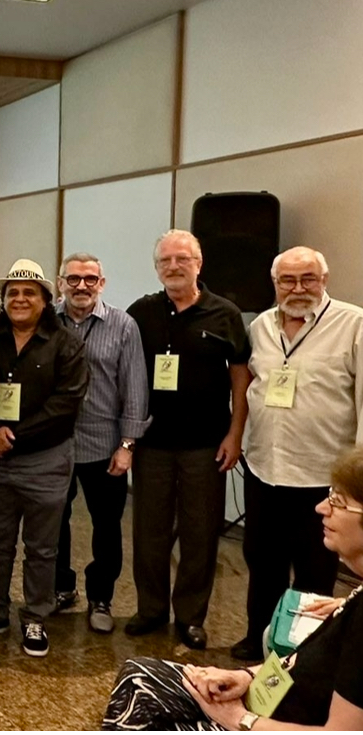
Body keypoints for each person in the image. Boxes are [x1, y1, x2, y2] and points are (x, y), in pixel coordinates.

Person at [102, 444, 363, 731]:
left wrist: (241, 720)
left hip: (280, 721)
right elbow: (304, 664)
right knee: (136, 676)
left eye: (337, 501)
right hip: (275, 697)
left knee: (143, 706)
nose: (321, 508)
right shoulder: (355, 598)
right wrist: (245, 677)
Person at [231, 246, 363, 661]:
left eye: (308, 278)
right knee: (262, 561)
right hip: (265, 468)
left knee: (314, 570)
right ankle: (258, 635)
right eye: (287, 280)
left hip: (321, 476)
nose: (298, 288)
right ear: (275, 284)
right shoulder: (260, 327)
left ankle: (305, 649)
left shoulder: (353, 323)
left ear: (325, 281)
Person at [126, 229, 251, 650]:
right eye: (166, 261)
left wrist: (236, 433)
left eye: (183, 259)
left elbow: (240, 377)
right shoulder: (141, 312)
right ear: (157, 268)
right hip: (152, 443)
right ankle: (151, 609)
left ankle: (191, 617)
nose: (174, 267)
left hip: (206, 444)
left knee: (200, 533)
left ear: (199, 263)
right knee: (149, 532)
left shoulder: (225, 313)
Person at [0, 258, 87, 659]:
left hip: (46, 460)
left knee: (42, 546)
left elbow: (66, 403)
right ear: (3, 300)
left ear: (45, 299)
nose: (20, 299)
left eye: (28, 293)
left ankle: (36, 614)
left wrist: (13, 437)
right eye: (12, 292)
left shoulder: (66, 342)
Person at [52, 253, 151, 633]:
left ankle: (101, 597)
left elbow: (135, 388)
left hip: (104, 444)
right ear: (61, 282)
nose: (81, 286)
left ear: (102, 283)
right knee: (53, 522)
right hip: (55, 443)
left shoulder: (123, 325)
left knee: (106, 526)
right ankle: (61, 588)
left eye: (90, 279)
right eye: (73, 279)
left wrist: (127, 444)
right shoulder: (48, 321)